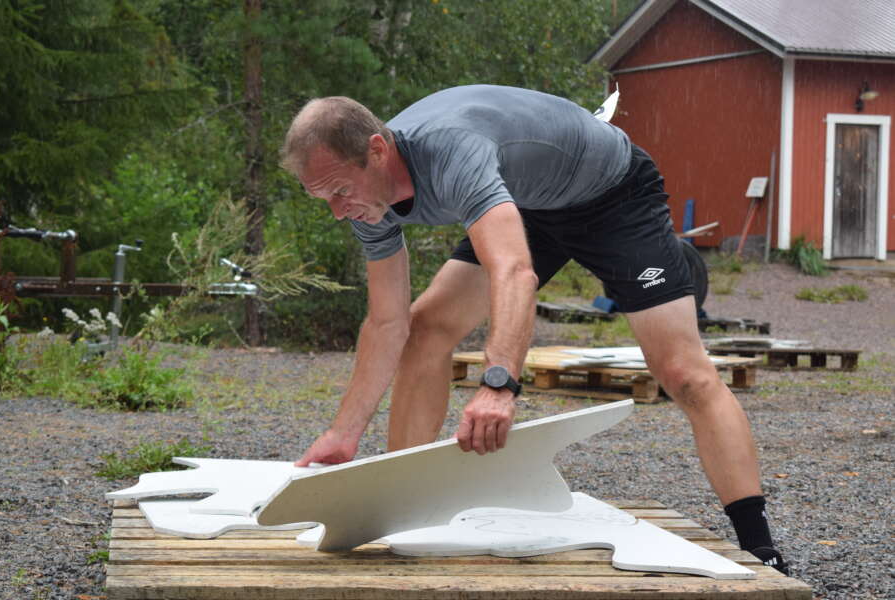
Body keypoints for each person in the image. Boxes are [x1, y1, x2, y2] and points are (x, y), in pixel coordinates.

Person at [279, 85, 788, 573]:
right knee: (426, 327)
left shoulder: (453, 150)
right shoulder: (364, 200)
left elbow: (514, 272)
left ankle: (759, 546)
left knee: (684, 373)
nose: (338, 210)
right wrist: (342, 434)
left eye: (340, 191)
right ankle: (400, 513)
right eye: (323, 198)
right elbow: (387, 320)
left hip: (613, 197)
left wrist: (499, 384)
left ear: (376, 150)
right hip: (529, 204)